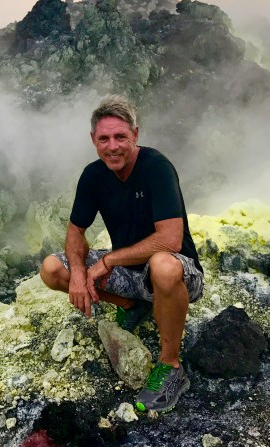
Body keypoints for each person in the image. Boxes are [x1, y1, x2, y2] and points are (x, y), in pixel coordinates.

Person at [40, 94, 204, 413]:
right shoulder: (93, 176)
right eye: (104, 138)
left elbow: (171, 239)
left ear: (136, 135)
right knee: (51, 268)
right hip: (132, 276)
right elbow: (75, 232)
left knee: (162, 266)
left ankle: (171, 366)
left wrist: (108, 260)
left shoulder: (157, 167)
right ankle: (131, 305)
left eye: (120, 137)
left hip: (180, 272)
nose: (112, 146)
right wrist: (77, 273)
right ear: (93, 140)